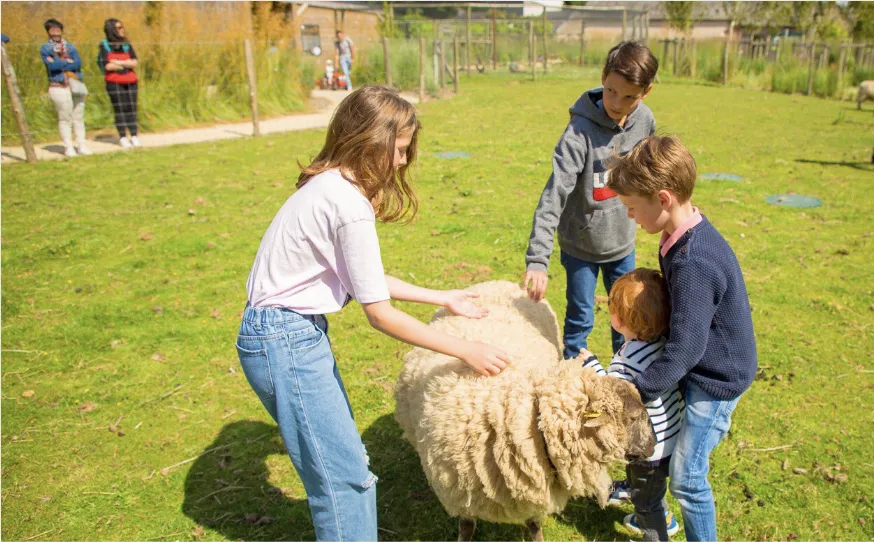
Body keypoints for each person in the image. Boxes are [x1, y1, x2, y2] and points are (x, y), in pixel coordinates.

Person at [236, 85, 511, 541]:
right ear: (371, 139)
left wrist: (443, 297)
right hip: (284, 340)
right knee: (345, 483)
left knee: (346, 470)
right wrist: (466, 349)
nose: (403, 162)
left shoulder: (329, 186)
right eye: (400, 149)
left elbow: (366, 277)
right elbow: (379, 314)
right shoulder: (347, 204)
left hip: (285, 334)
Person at [607, 135, 758, 542]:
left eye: (632, 208)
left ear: (663, 198)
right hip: (700, 365)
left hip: (716, 380)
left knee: (689, 479)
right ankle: (649, 502)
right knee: (675, 451)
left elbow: (687, 349)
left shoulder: (694, 260)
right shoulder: (682, 235)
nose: (631, 217)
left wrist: (636, 390)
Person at [523, 41, 659, 360]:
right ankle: (572, 390)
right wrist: (538, 259)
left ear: (646, 92)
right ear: (603, 78)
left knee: (628, 322)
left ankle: (622, 381)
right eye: (611, 91)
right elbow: (554, 193)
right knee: (579, 322)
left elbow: (652, 175)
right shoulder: (579, 132)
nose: (617, 102)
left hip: (623, 245)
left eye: (629, 96)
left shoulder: (645, 122)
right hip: (581, 248)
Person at [578, 268, 682, 541]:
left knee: (646, 500)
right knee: (653, 487)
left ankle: (658, 530)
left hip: (649, 448)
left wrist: (591, 365)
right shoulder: (663, 344)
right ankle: (648, 500)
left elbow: (611, 394)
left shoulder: (629, 359)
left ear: (621, 320)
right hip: (672, 437)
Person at [40, 18, 91, 157]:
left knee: (78, 117)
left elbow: (78, 63)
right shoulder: (45, 48)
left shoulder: (70, 46)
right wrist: (67, 62)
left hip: (75, 84)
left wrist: (58, 62)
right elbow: (51, 66)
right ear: (48, 32)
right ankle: (68, 146)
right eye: (52, 29)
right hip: (59, 86)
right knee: (65, 117)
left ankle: (82, 145)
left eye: (58, 29)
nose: (56, 32)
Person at [97, 18, 140, 148]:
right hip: (114, 83)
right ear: (112, 30)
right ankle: (122, 136)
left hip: (131, 81)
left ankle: (134, 135)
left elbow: (135, 62)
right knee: (120, 108)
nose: (122, 29)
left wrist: (118, 62)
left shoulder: (126, 44)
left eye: (122, 27)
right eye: (119, 27)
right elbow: (107, 66)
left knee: (131, 108)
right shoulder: (104, 45)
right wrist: (127, 64)